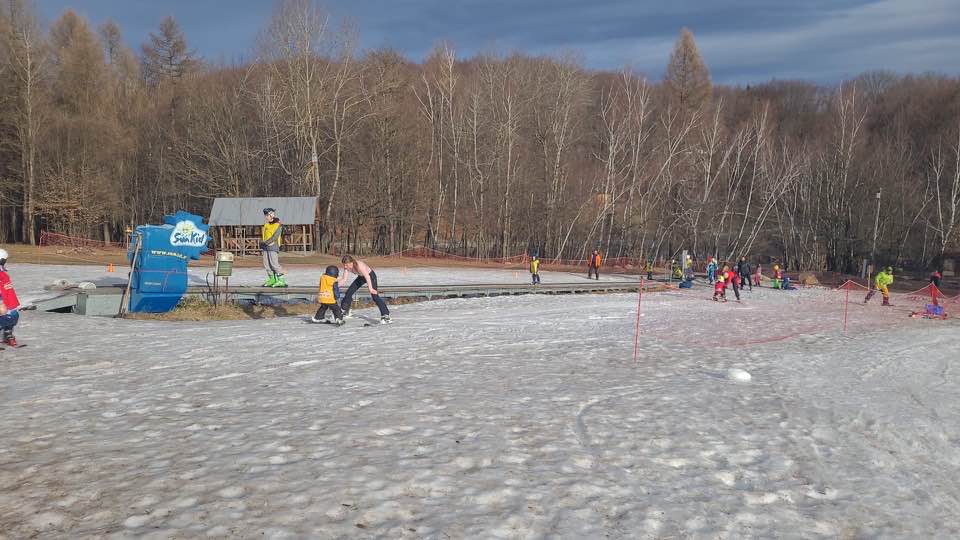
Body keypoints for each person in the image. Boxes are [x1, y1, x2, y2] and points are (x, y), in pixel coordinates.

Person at [339, 255, 391, 323]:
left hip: (370, 276)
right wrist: (336, 286)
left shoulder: (359, 265)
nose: (345, 267)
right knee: (349, 292)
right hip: (361, 277)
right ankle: (346, 310)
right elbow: (344, 279)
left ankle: (386, 315)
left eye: (346, 265)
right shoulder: (347, 268)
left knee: (374, 296)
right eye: (344, 265)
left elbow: (367, 277)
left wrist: (371, 289)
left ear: (351, 263)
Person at [0, 249, 21, 347]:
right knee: (6, 318)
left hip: (9, 301)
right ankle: (8, 335)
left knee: (12, 316)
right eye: (5, 261)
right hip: (4, 302)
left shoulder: (2, 272)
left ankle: (8, 335)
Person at [261, 208, 287, 288]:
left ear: (272, 215)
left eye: (267, 215)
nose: (266, 217)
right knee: (266, 264)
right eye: (265, 215)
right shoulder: (266, 224)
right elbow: (264, 235)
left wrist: (267, 242)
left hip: (273, 246)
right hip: (265, 247)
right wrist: (262, 243)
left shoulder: (278, 225)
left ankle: (281, 280)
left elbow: (275, 236)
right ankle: (272, 279)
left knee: (274, 263)